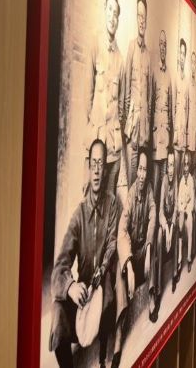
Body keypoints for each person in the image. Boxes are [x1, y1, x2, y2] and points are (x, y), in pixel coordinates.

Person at [49, 139, 119, 368]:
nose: (97, 170)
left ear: (105, 169)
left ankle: (103, 356)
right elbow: (59, 268)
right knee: (58, 310)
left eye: (101, 164)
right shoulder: (78, 215)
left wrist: (102, 270)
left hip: (104, 289)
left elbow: (112, 243)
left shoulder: (112, 205)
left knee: (108, 290)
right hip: (84, 292)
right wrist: (71, 286)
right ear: (89, 169)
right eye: (93, 164)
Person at [113, 148, 156, 367]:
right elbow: (122, 231)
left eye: (145, 170)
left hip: (142, 253)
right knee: (119, 274)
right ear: (136, 170)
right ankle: (118, 339)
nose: (141, 174)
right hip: (132, 255)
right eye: (139, 169)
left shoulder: (149, 191)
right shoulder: (130, 195)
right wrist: (128, 264)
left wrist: (148, 247)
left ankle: (152, 296)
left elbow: (153, 217)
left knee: (154, 247)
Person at [84, 0, 124, 195]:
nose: (112, 17)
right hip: (96, 142)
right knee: (91, 199)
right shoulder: (94, 44)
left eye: (116, 13)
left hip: (114, 150)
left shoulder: (120, 59)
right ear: (104, 10)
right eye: (110, 10)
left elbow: (122, 106)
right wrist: (94, 126)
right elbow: (87, 95)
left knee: (109, 200)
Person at [122, 0, 152, 187]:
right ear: (136, 18)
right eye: (139, 16)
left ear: (147, 20)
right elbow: (126, 89)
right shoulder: (131, 47)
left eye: (144, 17)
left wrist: (147, 127)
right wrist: (126, 125)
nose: (142, 20)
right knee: (132, 182)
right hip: (132, 130)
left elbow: (148, 98)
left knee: (142, 183)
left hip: (144, 134)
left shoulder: (148, 55)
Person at [153, 148, 178, 322]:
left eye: (172, 165)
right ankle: (158, 291)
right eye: (168, 165)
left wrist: (171, 226)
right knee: (159, 238)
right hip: (164, 222)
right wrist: (165, 227)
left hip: (173, 222)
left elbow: (176, 209)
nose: (170, 169)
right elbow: (160, 209)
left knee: (175, 234)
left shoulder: (176, 181)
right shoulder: (163, 181)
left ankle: (175, 273)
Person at [151, 30, 173, 206]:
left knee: (165, 182)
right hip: (155, 138)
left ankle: (162, 214)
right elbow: (150, 104)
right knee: (155, 180)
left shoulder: (169, 76)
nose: (163, 48)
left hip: (165, 138)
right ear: (159, 47)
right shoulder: (154, 73)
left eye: (165, 45)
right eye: (161, 44)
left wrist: (170, 137)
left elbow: (171, 110)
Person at [174, 149, 195, 286]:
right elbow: (180, 199)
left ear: (189, 166)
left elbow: (192, 200)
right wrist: (182, 209)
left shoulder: (191, 180)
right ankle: (180, 260)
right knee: (180, 233)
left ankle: (189, 259)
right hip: (182, 211)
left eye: (188, 164)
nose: (186, 168)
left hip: (188, 211)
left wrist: (188, 209)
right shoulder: (181, 181)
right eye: (184, 165)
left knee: (190, 227)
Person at [173, 38, 189, 183]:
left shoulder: (186, 82)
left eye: (184, 54)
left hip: (184, 138)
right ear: (178, 55)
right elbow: (173, 108)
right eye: (180, 53)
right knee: (174, 175)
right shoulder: (175, 77)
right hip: (175, 138)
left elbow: (187, 111)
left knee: (182, 175)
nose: (182, 57)